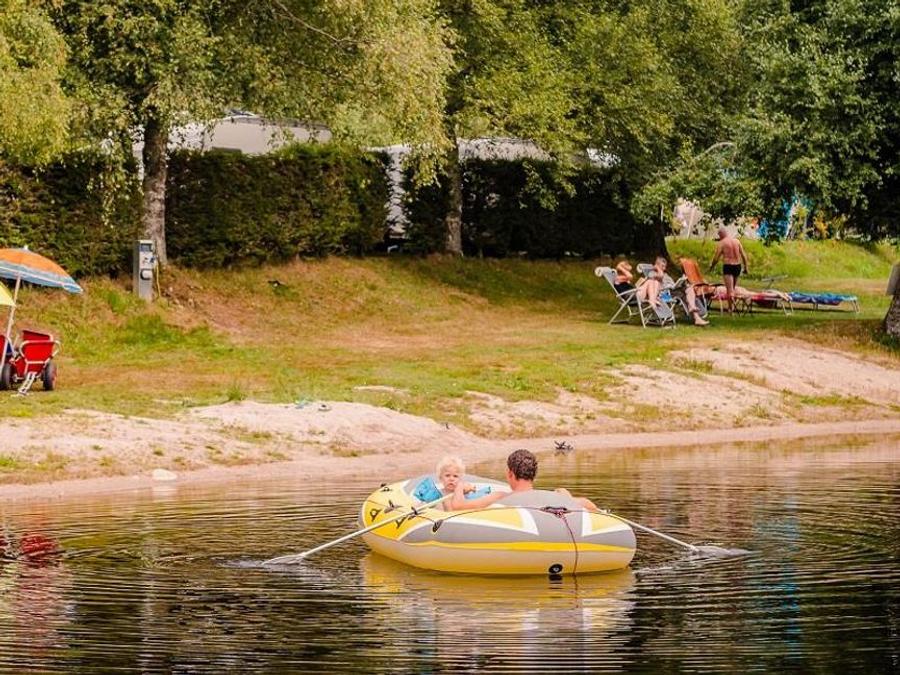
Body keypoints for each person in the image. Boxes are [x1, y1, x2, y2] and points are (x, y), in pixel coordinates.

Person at [448, 449, 600, 512]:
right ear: (534, 474)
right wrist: (569, 498)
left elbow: (457, 507)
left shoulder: (501, 497)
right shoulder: (547, 497)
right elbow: (590, 506)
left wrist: (460, 487)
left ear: (510, 473)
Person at [647, 257, 709, 326]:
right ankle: (694, 312)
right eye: (662, 266)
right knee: (687, 290)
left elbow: (672, 284)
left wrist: (679, 283)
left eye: (665, 266)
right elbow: (660, 277)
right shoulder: (652, 273)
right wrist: (657, 269)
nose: (664, 268)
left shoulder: (666, 275)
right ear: (657, 265)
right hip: (666, 294)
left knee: (689, 288)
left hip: (674, 291)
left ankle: (693, 310)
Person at [709, 226, 749, 314]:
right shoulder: (737, 241)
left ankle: (730, 309)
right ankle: (732, 308)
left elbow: (716, 258)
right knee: (733, 288)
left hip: (728, 266)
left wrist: (712, 267)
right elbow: (744, 255)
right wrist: (746, 267)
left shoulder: (722, 243)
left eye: (719, 235)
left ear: (721, 234)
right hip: (737, 266)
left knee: (729, 289)